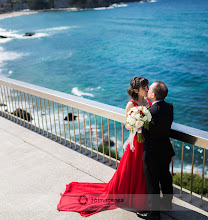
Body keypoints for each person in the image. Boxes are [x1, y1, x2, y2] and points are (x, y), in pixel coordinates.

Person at [57, 76, 151, 216]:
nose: (147, 89)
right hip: (136, 142)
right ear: (137, 90)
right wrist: (138, 123)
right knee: (135, 169)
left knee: (143, 170)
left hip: (147, 141)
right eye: (144, 88)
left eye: (147, 87)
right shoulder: (131, 105)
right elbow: (127, 125)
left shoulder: (147, 100)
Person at [139, 81, 175, 220]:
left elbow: (144, 132)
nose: (147, 91)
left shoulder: (149, 112)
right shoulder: (169, 107)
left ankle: (154, 215)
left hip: (152, 152)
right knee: (165, 177)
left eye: (149, 90)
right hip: (165, 149)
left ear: (152, 95)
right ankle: (167, 204)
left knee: (152, 183)